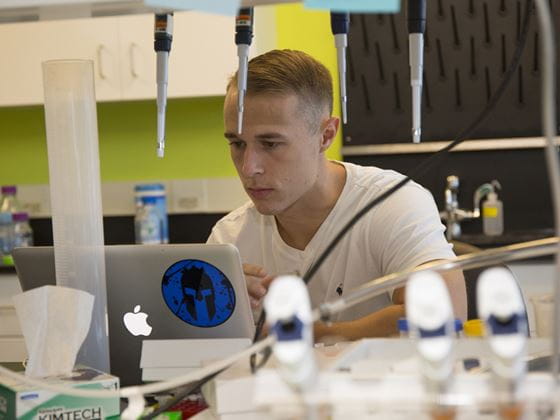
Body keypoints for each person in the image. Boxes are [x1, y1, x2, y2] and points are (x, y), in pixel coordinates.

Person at [207, 49, 466, 340]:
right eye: (237, 144)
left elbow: (445, 314)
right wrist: (216, 314)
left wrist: (306, 333)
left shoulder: (392, 202)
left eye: (270, 144)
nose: (249, 167)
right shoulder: (230, 240)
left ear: (326, 135)